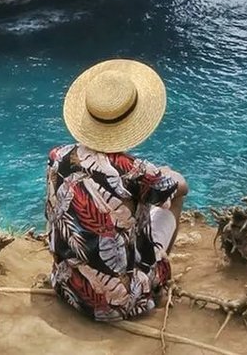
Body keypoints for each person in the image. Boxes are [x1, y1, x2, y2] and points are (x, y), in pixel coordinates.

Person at [45, 58, 188, 323]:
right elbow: (181, 186)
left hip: (66, 287)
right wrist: (165, 174)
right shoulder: (135, 171)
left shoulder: (58, 156)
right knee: (174, 195)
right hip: (119, 304)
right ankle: (156, 277)